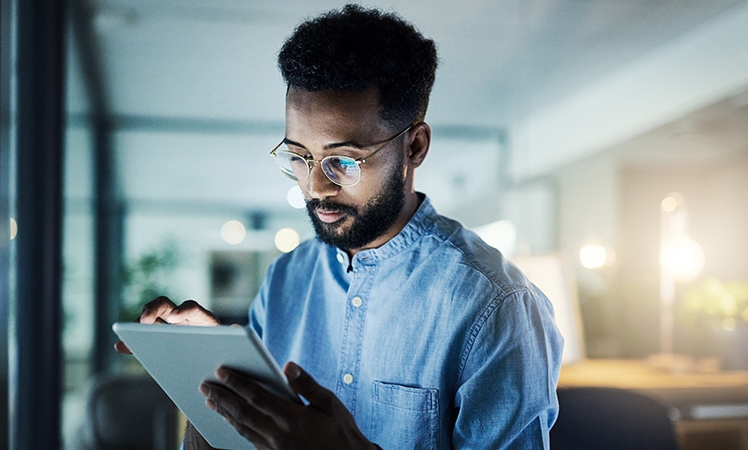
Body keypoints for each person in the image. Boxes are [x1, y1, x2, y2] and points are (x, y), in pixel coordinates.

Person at [118, 4, 563, 449]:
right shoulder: (285, 280)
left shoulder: (498, 307)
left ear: (415, 147)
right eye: (298, 156)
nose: (314, 187)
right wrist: (212, 377)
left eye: (343, 161)